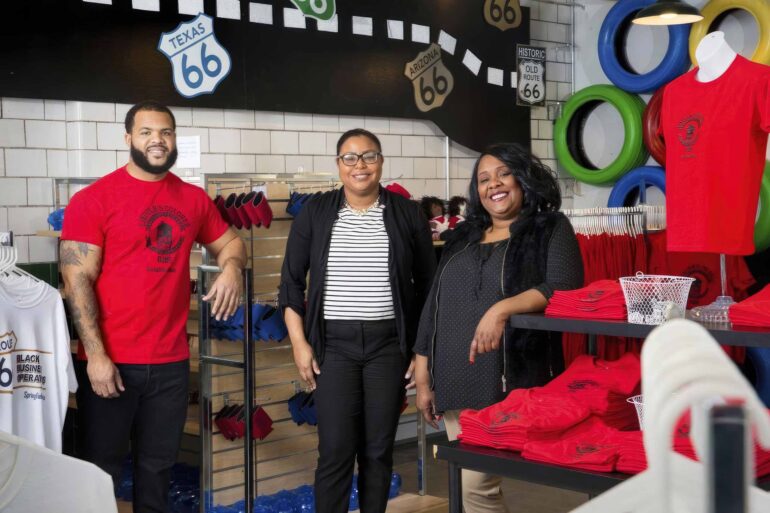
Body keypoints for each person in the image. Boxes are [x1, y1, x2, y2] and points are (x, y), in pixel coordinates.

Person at [60, 101, 246, 513]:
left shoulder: (193, 199)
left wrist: (231, 268)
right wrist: (96, 355)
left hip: (170, 363)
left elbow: (232, 243)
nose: (157, 140)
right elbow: (76, 279)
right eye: (146, 132)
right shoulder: (94, 199)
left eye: (165, 132)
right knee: (100, 470)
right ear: (128, 138)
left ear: (174, 138)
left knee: (157, 468)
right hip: (110, 362)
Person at [414, 143, 583, 513]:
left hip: (509, 378)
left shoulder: (548, 228)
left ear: (523, 179)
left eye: (503, 174)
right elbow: (434, 303)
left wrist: (502, 308)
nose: (494, 185)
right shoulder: (461, 236)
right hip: (457, 376)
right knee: (471, 487)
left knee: (474, 485)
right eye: (484, 179)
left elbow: (565, 285)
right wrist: (423, 373)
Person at [279, 128, 436, 513]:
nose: (360, 165)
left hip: (388, 347)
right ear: (338, 165)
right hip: (334, 347)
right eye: (350, 157)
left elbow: (429, 289)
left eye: (369, 156)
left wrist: (420, 354)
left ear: (381, 162)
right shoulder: (315, 213)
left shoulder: (406, 213)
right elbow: (291, 284)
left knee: (378, 450)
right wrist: (300, 344)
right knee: (334, 450)